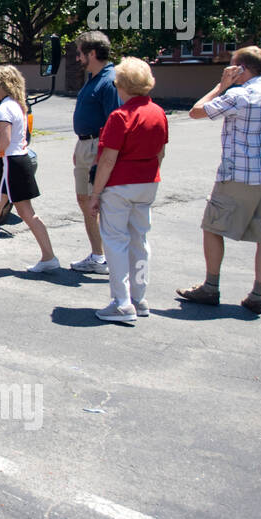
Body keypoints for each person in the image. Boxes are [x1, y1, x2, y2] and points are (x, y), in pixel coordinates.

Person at [177, 46, 261, 315]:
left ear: (241, 69)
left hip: (238, 174)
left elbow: (196, 111)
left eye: (231, 65)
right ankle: (257, 295)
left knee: (212, 226)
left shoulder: (238, 95)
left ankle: (211, 287)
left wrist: (221, 86)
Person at [88, 57, 169, 322]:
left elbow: (107, 160)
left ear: (123, 85)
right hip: (148, 182)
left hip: (120, 184)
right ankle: (139, 297)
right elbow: (160, 152)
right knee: (140, 240)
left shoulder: (120, 116)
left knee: (115, 242)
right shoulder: (158, 112)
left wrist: (96, 194)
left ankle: (121, 301)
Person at [0, 65, 58, 273]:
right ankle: (49, 256)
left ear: (2, 85)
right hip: (19, 161)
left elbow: (3, 142)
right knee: (26, 213)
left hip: (8, 164)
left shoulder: (4, 109)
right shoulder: (17, 105)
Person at [70, 30, 120, 274]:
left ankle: (110, 257)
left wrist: (100, 157)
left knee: (97, 203)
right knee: (84, 199)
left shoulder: (109, 81)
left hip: (96, 147)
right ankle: (97, 255)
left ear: (91, 53)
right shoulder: (94, 78)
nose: (77, 58)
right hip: (85, 145)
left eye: (80, 53)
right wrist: (79, 146)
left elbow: (115, 123)